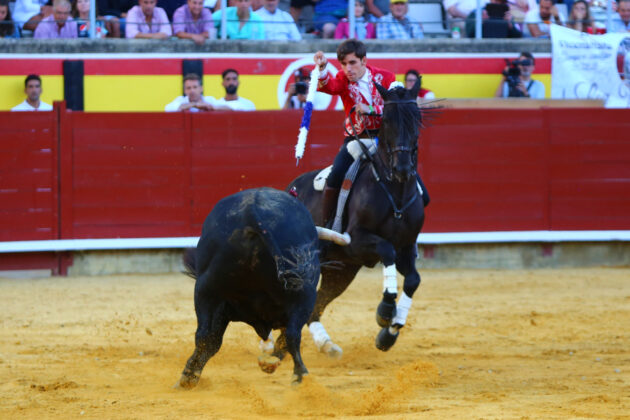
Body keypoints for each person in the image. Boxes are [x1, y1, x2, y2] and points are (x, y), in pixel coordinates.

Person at [313, 39, 430, 226]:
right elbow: (329, 87)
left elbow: (398, 107)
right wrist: (323, 68)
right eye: (343, 64)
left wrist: (372, 108)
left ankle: (409, 234)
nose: (347, 69)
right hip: (356, 140)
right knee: (336, 175)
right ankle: (328, 225)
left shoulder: (386, 77)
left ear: (364, 61)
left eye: (352, 63)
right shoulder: (342, 80)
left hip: (386, 141)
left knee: (423, 194)